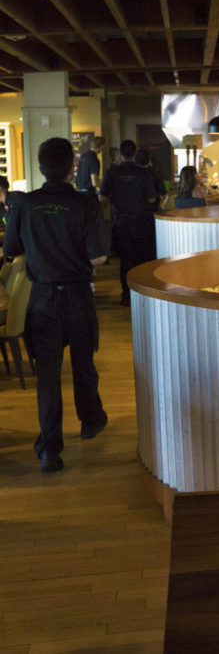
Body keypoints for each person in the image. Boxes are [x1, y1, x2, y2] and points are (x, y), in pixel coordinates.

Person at [4, 137, 109, 472]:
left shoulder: (23, 203)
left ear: (40, 168)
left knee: (48, 375)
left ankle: (50, 447)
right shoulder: (86, 204)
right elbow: (101, 257)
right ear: (72, 168)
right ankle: (90, 421)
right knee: (83, 365)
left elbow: (10, 250)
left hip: (43, 299)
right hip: (77, 295)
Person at [100, 139, 158, 306]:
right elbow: (152, 197)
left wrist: (115, 199)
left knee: (125, 260)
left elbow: (102, 197)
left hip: (121, 222)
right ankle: (140, 294)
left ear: (120, 153)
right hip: (140, 222)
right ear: (134, 153)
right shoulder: (143, 173)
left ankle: (126, 295)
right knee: (140, 259)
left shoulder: (112, 172)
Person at [75, 136, 104, 201]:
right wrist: (103, 184)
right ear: (101, 146)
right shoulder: (94, 159)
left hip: (80, 193)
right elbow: (95, 182)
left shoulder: (83, 156)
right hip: (89, 195)